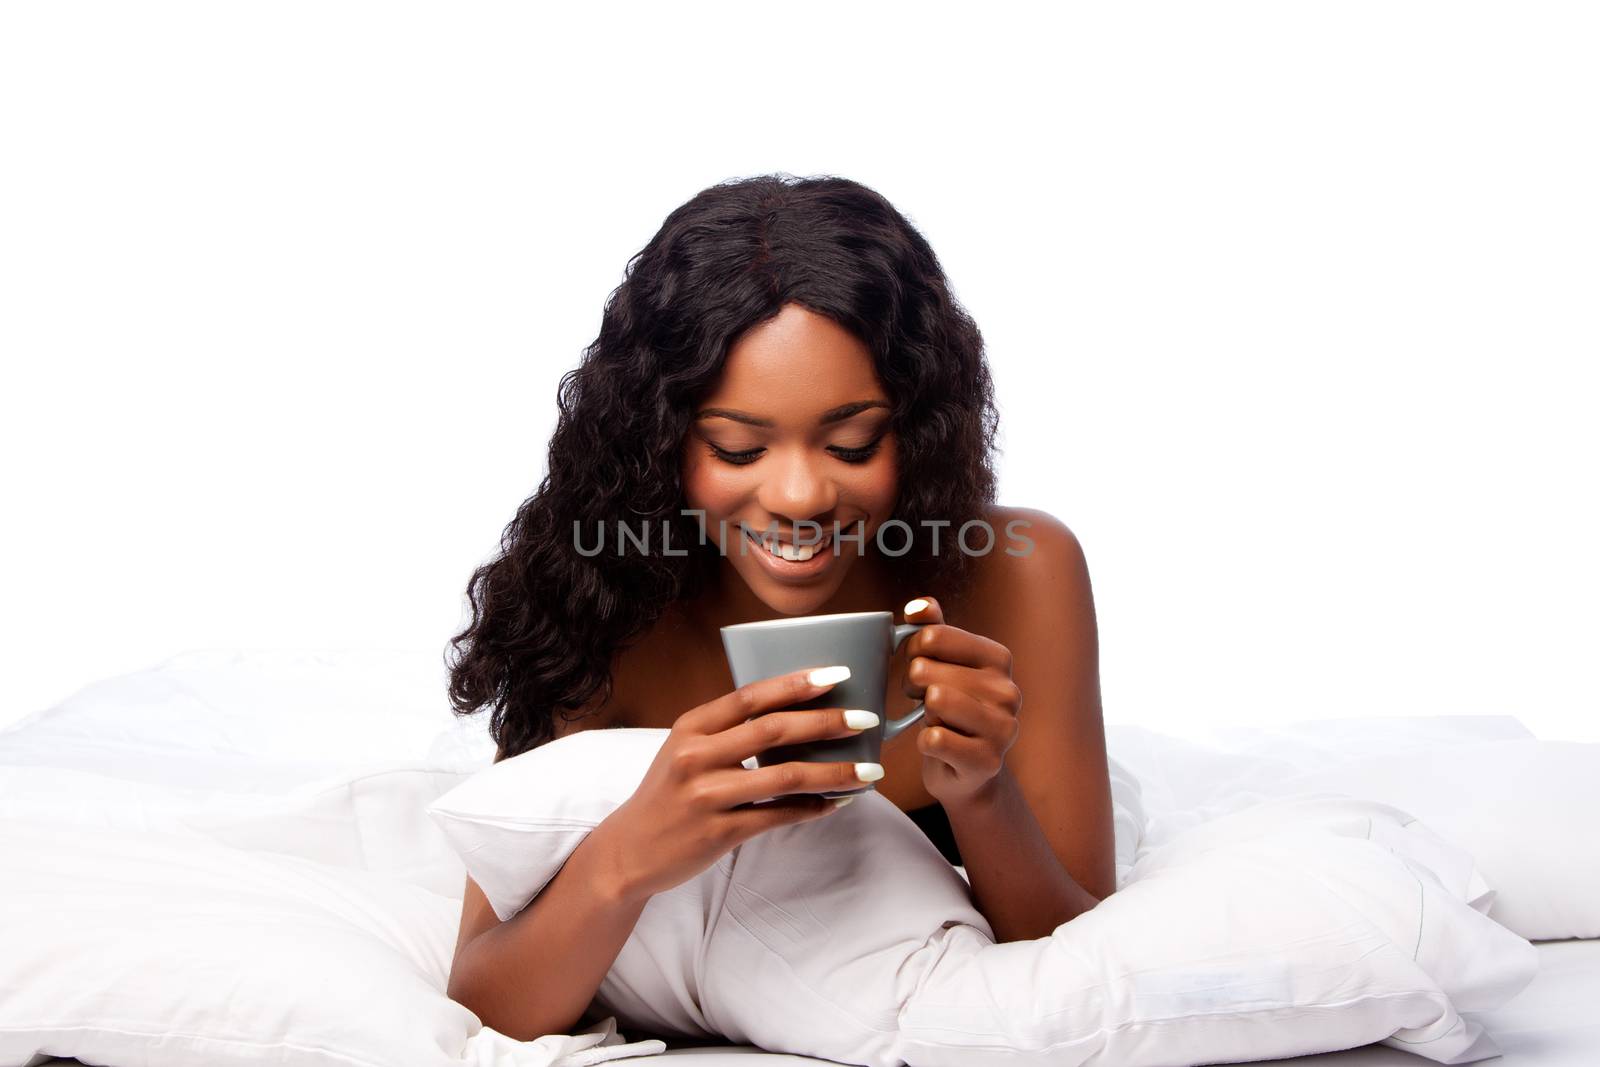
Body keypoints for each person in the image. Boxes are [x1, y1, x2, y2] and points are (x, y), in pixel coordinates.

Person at [441, 173, 1116, 1046]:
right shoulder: (599, 600)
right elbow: (483, 998)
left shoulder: (1023, 575)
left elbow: (1088, 970)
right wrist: (630, 855)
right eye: (738, 446)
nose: (798, 494)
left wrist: (984, 798)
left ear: (915, 426)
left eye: (851, 442)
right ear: (659, 437)